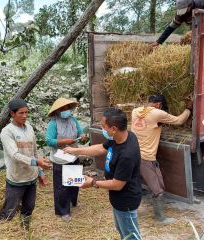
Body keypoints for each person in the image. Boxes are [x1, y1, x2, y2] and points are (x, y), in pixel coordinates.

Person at [64, 108, 142, 240]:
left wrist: (93, 182)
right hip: (118, 199)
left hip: (126, 200)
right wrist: (76, 151)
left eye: (103, 126)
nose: (102, 129)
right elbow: (101, 148)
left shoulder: (127, 154)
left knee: (131, 236)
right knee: (122, 231)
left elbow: (117, 185)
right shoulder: (121, 137)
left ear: (113, 129)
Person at [131, 94, 192, 224]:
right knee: (158, 189)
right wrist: (189, 109)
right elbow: (179, 121)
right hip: (146, 157)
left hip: (133, 154)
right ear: (159, 105)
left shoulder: (135, 111)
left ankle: (130, 211)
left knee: (134, 184)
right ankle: (160, 218)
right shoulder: (157, 113)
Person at [0, 98, 52, 229]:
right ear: (12, 114)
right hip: (17, 178)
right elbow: (15, 155)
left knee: (29, 207)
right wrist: (36, 162)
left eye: (26, 112)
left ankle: (24, 230)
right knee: (10, 209)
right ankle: (2, 229)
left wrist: (40, 172)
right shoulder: (7, 132)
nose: (25, 116)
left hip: (31, 177)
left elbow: (34, 151)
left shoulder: (29, 128)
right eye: (21, 113)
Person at [45, 97, 85, 222]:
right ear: (57, 111)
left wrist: (82, 135)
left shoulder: (73, 120)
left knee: (73, 182)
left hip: (73, 155)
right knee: (62, 186)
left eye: (67, 108)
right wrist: (65, 141)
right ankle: (63, 211)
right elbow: (49, 140)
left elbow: (80, 131)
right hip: (60, 158)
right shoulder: (53, 124)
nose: (66, 110)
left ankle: (73, 202)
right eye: (63, 109)